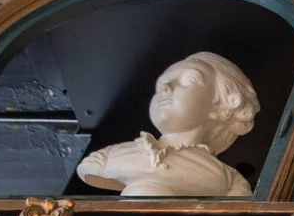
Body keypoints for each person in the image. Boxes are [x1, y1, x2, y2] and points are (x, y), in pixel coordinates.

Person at [77, 52, 259, 198]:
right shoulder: (104, 158)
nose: (165, 86)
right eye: (161, 83)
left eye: (189, 80)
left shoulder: (229, 181)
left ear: (220, 107)